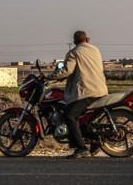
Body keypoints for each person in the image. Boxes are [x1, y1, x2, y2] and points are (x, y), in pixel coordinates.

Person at [46, 30, 108, 158]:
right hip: (100, 89)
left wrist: (50, 77)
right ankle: (93, 142)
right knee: (79, 117)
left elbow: (67, 70)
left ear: (74, 41)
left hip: (87, 91)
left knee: (70, 116)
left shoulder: (74, 52)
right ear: (87, 39)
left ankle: (81, 148)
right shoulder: (95, 49)